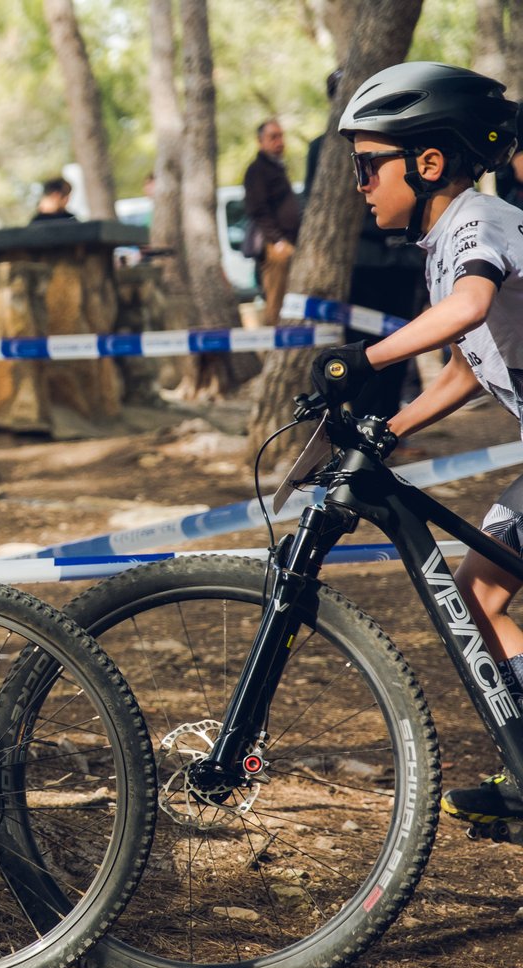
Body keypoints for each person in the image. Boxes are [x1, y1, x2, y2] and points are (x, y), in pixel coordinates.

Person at [311, 61, 523, 825]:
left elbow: (468, 309)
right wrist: (390, 427)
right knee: (478, 596)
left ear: (428, 163)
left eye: (369, 165)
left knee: (479, 595)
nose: (360, 185)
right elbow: (467, 367)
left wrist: (362, 359)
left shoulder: (477, 220)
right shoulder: (445, 242)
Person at [303, 69, 426, 420]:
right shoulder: (322, 148)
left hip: (403, 261)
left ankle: (391, 424)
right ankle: (364, 423)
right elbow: (317, 208)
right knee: (364, 347)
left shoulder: (393, 140)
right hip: (364, 264)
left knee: (402, 344)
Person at [244, 120, 302, 326]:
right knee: (276, 301)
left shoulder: (277, 166)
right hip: (274, 245)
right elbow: (258, 210)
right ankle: (273, 341)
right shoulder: (257, 170)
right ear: (261, 141)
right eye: (273, 137)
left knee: (289, 299)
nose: (279, 142)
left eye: (281, 136)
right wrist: (277, 240)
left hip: (288, 241)